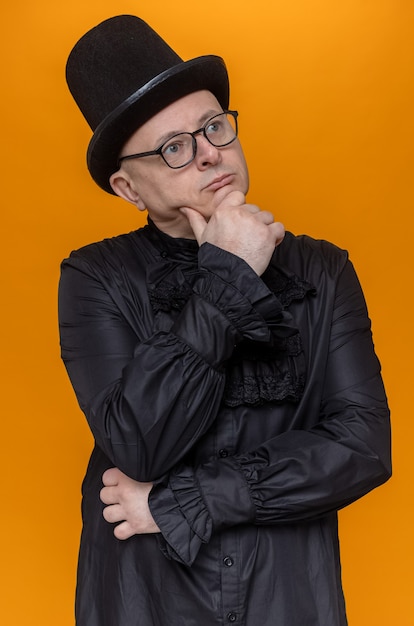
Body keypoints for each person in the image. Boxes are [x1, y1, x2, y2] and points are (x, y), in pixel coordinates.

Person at [59, 14, 391, 626]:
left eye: (215, 126)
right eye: (175, 148)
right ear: (129, 188)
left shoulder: (324, 270)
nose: (212, 153)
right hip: (145, 598)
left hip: (288, 598)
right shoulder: (93, 276)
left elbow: (364, 447)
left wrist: (183, 503)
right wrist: (230, 273)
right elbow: (139, 444)